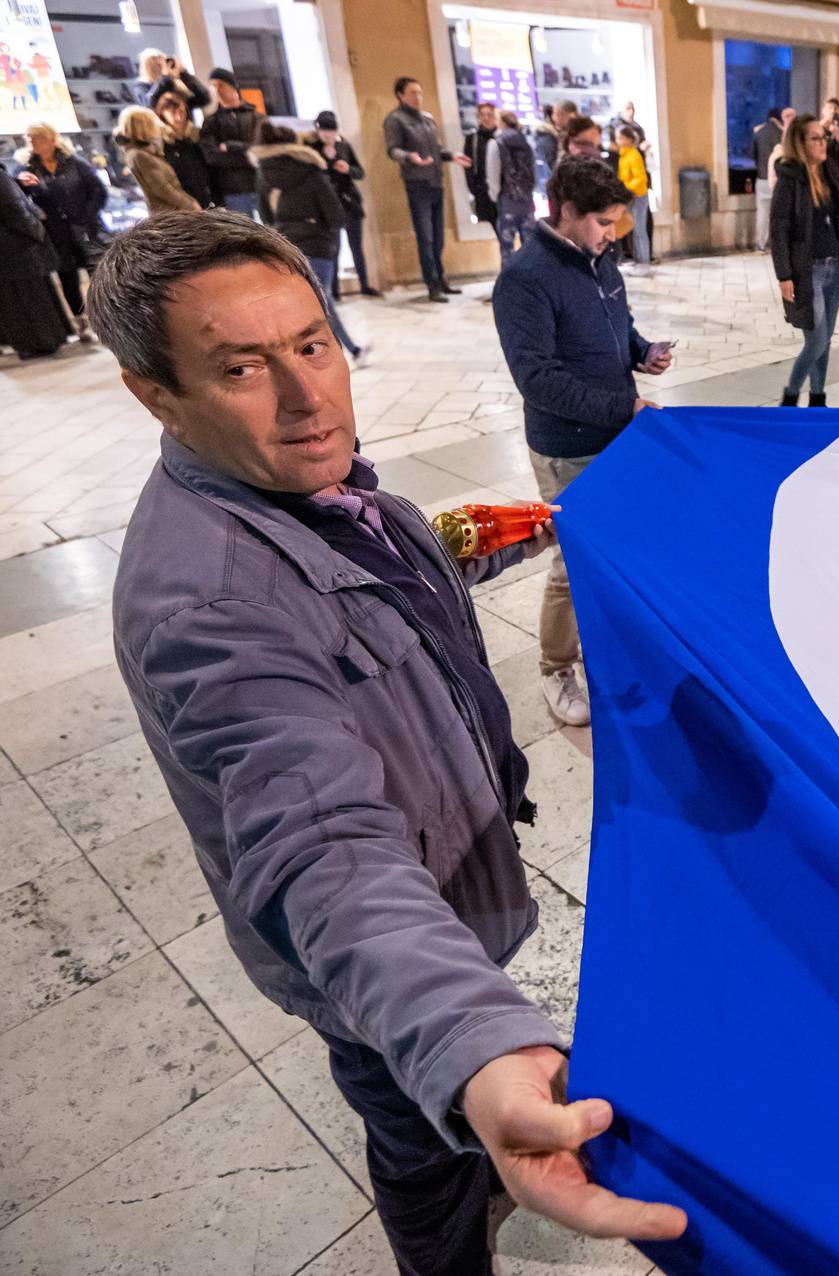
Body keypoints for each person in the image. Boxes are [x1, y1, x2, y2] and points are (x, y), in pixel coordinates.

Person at [87, 208, 688, 1274]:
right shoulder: (209, 607)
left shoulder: (312, 493)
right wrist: (471, 1043)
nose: (308, 394)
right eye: (241, 367)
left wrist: (530, 531)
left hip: (454, 883)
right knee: (418, 1147)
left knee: (438, 1138)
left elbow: (380, 584)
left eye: (314, 343)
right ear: (156, 396)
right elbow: (323, 853)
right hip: (385, 969)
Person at [492, 158, 673, 724]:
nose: (612, 232)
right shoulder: (525, 279)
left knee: (622, 548)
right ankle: (555, 667)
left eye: (617, 221)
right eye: (601, 221)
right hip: (568, 447)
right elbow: (538, 381)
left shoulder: (600, 257)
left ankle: (614, 646)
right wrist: (627, 404)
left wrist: (641, 352)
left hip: (619, 434)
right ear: (565, 212)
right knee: (574, 565)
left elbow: (617, 322)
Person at [252, 120, 365, 365]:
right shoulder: (310, 169)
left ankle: (336, 351)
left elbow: (265, 214)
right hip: (317, 241)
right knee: (321, 301)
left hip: (284, 244)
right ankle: (344, 351)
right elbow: (335, 214)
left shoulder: (263, 173)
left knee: (313, 301)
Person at [770, 113, 839, 407]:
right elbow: (778, 229)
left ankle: (818, 399)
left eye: (824, 137)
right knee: (816, 341)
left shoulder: (828, 172)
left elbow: (838, 219)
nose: (823, 143)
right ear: (801, 143)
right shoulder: (790, 179)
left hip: (835, 268)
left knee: (826, 340)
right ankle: (790, 398)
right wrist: (784, 275)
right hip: (809, 272)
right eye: (816, 138)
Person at [384, 76, 472, 302]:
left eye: (420, 93)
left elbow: (437, 150)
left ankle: (441, 280)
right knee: (426, 238)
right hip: (417, 185)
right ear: (401, 95)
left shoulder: (427, 118)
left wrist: (452, 156)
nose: (418, 97)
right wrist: (409, 157)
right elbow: (392, 150)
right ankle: (431, 284)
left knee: (438, 237)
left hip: (435, 183)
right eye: (413, 93)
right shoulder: (395, 119)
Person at [15, 121, 106, 341]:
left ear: (51, 140)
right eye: (28, 138)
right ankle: (82, 322)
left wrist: (86, 214)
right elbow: (19, 199)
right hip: (55, 232)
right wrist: (36, 209)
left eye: (36, 137)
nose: (31, 142)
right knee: (68, 277)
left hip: (84, 227)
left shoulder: (74, 163)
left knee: (98, 271)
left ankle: (107, 315)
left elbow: (98, 190)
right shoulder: (27, 170)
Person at [0, 168, 68, 359]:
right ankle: (43, 342)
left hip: (9, 250)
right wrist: (36, 229)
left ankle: (30, 344)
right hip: (17, 247)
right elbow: (13, 207)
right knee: (30, 298)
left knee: (15, 301)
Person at [309, 110, 375, 298]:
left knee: (357, 246)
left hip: (349, 202)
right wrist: (326, 162)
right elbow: (311, 176)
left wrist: (347, 169)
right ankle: (333, 291)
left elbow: (359, 172)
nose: (328, 135)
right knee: (333, 248)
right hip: (328, 206)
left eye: (331, 130)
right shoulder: (311, 148)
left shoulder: (344, 146)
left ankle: (365, 285)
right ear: (318, 130)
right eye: (325, 131)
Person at [115, 106, 199, 213]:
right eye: (152, 124)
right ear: (145, 127)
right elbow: (163, 189)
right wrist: (191, 205)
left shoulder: (145, 152)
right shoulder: (140, 155)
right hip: (171, 214)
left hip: (173, 212)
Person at [200, 69, 261, 214]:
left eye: (221, 85)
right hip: (233, 190)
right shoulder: (211, 122)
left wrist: (230, 146)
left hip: (260, 183)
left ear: (233, 86)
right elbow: (211, 156)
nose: (217, 89)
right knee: (245, 233)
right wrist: (247, 155)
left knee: (273, 231)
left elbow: (263, 149)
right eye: (214, 86)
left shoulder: (255, 116)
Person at [486, 109, 539, 266]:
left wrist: (494, 195)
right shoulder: (526, 143)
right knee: (529, 246)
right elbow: (534, 170)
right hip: (527, 200)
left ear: (500, 122)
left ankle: (510, 284)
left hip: (508, 200)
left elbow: (493, 172)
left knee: (507, 247)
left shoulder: (497, 142)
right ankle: (531, 281)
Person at [155, 90, 215, 208]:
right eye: (173, 112)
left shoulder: (196, 137)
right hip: (182, 205)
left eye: (181, 111)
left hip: (207, 199)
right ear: (163, 115)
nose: (178, 116)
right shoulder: (161, 144)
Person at [615, 124, 651, 272]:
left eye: (620, 137)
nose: (618, 140)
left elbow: (640, 179)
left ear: (629, 139)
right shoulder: (624, 155)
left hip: (638, 196)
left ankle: (644, 262)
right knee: (633, 229)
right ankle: (639, 261)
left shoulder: (633, 155)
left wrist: (626, 188)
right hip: (630, 196)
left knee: (639, 230)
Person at [751, 108, 787, 251]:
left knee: (762, 213)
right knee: (778, 215)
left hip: (762, 178)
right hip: (778, 180)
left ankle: (760, 244)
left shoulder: (759, 133)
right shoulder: (781, 133)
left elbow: (753, 154)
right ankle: (777, 244)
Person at [136, 48, 208, 115]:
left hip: (185, 126)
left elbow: (204, 99)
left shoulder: (175, 83)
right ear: (146, 66)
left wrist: (184, 74)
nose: (161, 66)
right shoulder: (142, 86)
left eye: (162, 62)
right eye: (155, 63)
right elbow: (149, 104)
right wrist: (165, 78)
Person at [463, 100, 498, 233]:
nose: (485, 118)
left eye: (489, 114)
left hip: (503, 192)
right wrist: (474, 189)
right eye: (482, 114)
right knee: (489, 228)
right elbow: (468, 166)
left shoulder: (502, 137)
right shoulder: (472, 139)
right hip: (482, 192)